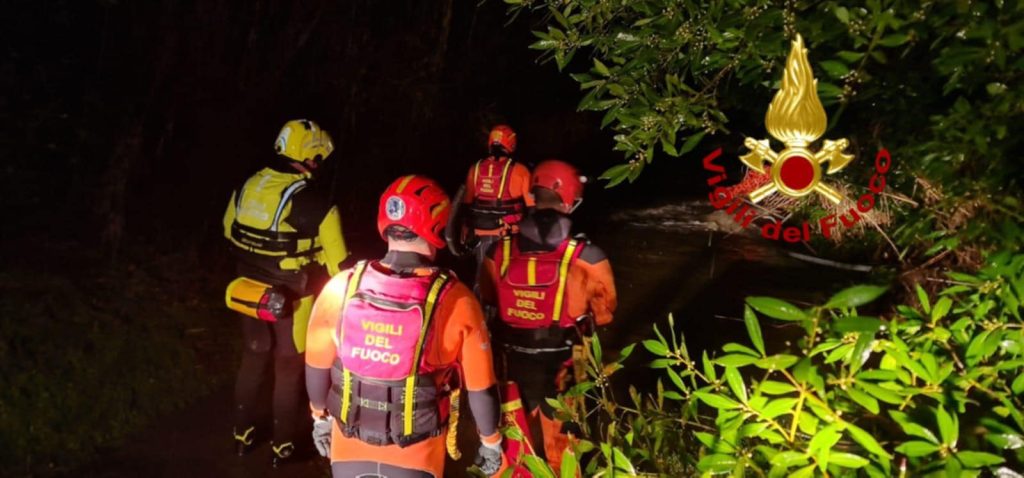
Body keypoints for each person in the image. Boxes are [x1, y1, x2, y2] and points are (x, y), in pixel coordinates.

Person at [305, 175, 508, 477]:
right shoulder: (457, 300)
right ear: (440, 225)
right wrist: (490, 442)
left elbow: (316, 368)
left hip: (347, 452)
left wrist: (319, 419)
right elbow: (482, 390)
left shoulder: (340, 287)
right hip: (417, 457)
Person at [222, 119, 349, 466]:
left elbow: (228, 231)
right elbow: (340, 266)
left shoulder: (247, 186)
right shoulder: (318, 204)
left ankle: (242, 436)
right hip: (294, 297)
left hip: (247, 289)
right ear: (311, 158)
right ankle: (283, 447)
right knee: (289, 368)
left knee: (253, 356)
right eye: (320, 159)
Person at [479, 159, 617, 470]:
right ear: (569, 200)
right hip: (562, 370)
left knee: (514, 454)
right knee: (565, 455)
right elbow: (605, 314)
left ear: (533, 195)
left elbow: (486, 298)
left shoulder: (497, 252)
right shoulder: (588, 257)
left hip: (510, 367)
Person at [461, 124, 534, 288]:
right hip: (509, 234)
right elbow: (532, 208)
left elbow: (466, 205)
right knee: (507, 280)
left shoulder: (475, 169)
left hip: (480, 235)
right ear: (511, 144)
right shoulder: (521, 170)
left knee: (481, 278)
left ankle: (479, 300)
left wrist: (466, 230)